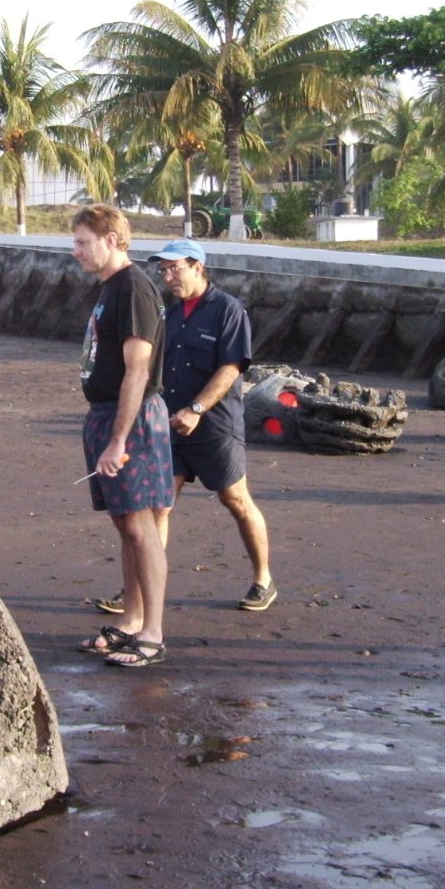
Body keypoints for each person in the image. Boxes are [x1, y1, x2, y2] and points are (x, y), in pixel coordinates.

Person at [147, 238, 277, 611]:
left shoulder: (227, 310)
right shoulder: (169, 315)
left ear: (198, 267)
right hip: (171, 424)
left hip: (215, 424)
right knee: (159, 505)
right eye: (164, 270)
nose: (169, 276)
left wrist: (197, 409)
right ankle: (145, 588)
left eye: (176, 268)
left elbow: (231, 367)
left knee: (235, 499)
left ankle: (263, 579)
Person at [71, 205, 173, 668]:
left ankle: (152, 633)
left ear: (112, 240)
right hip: (107, 414)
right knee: (125, 523)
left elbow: (138, 370)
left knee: (140, 525)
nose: (77, 252)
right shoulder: (111, 288)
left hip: (130, 418)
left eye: (83, 242)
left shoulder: (133, 287)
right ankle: (132, 620)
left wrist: (118, 439)